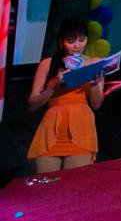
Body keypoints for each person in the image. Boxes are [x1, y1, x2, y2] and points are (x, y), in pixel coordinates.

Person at [27, 18, 105, 173]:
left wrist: (94, 84)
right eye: (71, 41)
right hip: (51, 127)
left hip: (81, 125)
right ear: (61, 42)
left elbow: (96, 104)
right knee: (47, 182)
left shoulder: (94, 63)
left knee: (74, 182)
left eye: (82, 40)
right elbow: (32, 105)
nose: (77, 46)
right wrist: (53, 85)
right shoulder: (48, 64)